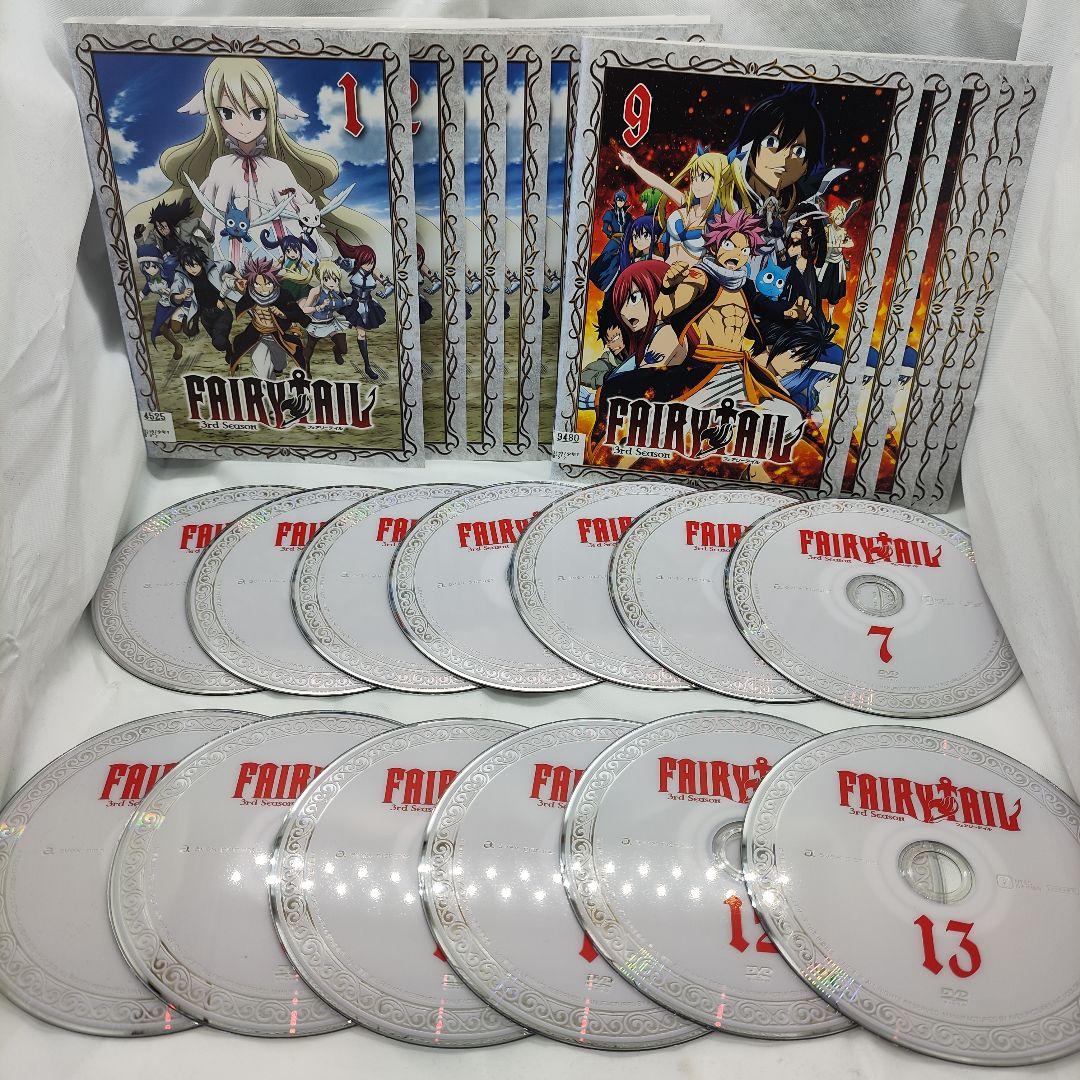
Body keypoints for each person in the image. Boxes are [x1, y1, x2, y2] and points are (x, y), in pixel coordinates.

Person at [727, 84, 847, 224]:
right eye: (771, 142)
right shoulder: (724, 193)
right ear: (750, 144)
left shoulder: (806, 209)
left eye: (799, 151)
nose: (785, 158)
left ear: (806, 166)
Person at [614, 149, 745, 264]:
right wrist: (633, 164)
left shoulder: (722, 219)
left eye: (702, 177)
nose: (695, 183)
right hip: (665, 270)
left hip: (692, 278)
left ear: (720, 181)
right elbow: (660, 184)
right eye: (693, 176)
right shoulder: (688, 204)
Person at [230, 256, 309, 379]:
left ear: (274, 281)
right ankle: (268, 385)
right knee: (261, 371)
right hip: (257, 334)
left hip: (278, 335)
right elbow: (238, 288)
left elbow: (298, 314)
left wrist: (283, 314)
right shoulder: (250, 294)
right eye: (257, 284)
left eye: (268, 284)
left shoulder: (283, 295)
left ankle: (277, 369)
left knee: (279, 364)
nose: (263, 289)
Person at [333, 234, 388, 381]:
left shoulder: (375, 271)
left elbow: (388, 284)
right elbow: (335, 264)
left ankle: (367, 366)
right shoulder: (353, 265)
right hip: (352, 302)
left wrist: (386, 291)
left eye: (372, 262)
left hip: (367, 305)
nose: (370, 265)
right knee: (336, 326)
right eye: (367, 262)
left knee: (361, 334)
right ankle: (337, 350)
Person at [588, 188, 631, 290]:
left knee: (623, 262)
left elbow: (632, 227)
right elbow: (605, 229)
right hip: (614, 240)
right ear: (615, 200)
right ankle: (602, 282)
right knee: (606, 259)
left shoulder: (628, 216)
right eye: (618, 200)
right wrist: (611, 235)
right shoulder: (610, 213)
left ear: (625, 201)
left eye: (622, 200)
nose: (620, 202)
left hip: (624, 242)